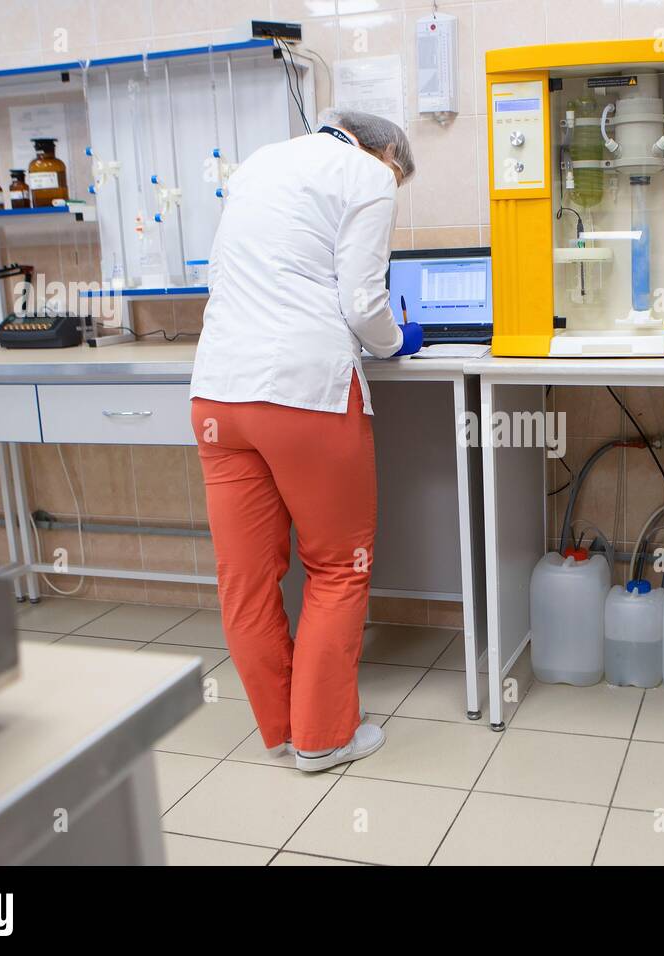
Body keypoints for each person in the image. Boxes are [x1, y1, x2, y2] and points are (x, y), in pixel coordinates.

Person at [189, 109, 423, 772]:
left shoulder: (258, 161)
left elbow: (224, 276)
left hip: (217, 393)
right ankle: (324, 738)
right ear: (387, 155)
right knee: (337, 567)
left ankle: (283, 731)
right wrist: (396, 341)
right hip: (302, 392)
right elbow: (362, 302)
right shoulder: (369, 177)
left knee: (247, 579)